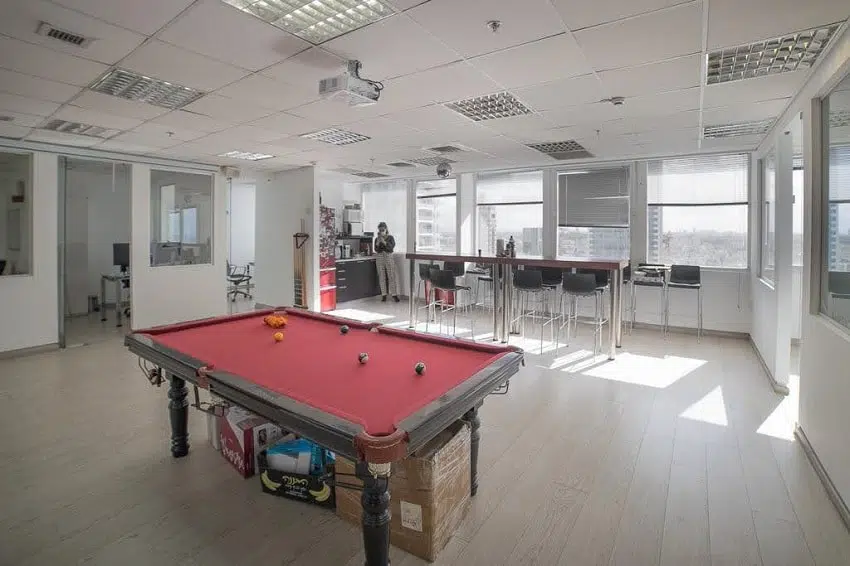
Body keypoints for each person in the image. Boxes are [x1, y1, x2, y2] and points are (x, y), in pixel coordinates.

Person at [374, 222, 400, 302]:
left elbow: (391, 247)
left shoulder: (390, 238)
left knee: (391, 275)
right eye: (380, 230)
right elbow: (376, 249)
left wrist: (384, 241)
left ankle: (394, 294)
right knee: (381, 276)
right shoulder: (377, 239)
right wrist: (378, 242)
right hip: (380, 257)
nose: (381, 231)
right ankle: (384, 294)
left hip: (388, 256)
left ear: (386, 229)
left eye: (383, 230)